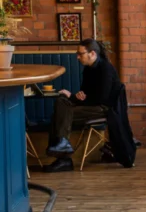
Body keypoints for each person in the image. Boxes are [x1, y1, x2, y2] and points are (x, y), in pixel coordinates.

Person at [44, 39, 122, 172]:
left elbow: (101, 99)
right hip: (90, 106)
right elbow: (84, 95)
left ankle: (63, 157)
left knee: (60, 114)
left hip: (103, 109)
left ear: (92, 53)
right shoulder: (88, 70)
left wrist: (74, 97)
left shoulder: (106, 69)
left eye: (80, 54)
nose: (77, 56)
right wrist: (76, 97)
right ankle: (62, 146)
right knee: (61, 102)